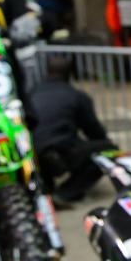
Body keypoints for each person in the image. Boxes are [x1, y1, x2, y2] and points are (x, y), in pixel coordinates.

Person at [27, 55, 113, 205]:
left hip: (32, 152)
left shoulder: (31, 93)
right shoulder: (76, 96)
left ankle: (46, 189)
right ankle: (66, 193)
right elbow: (95, 132)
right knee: (108, 149)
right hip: (60, 151)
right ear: (70, 74)